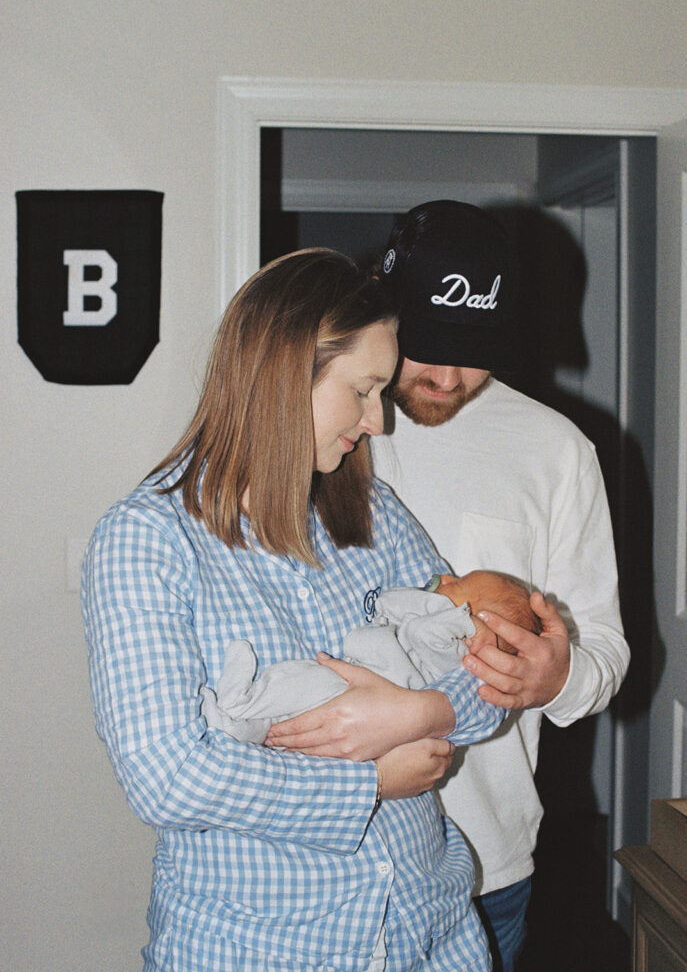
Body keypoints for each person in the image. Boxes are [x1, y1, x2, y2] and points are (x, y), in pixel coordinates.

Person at [82, 247, 514, 972]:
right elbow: (167, 776)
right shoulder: (148, 540)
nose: (378, 421)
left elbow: (483, 666)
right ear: (285, 374)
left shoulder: (373, 511)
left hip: (432, 937)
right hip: (258, 951)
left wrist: (421, 713)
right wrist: (369, 782)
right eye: (363, 390)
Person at [371, 201, 631, 972]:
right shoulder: (316, 424)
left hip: (485, 860)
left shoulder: (555, 450)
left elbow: (605, 648)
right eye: (427, 346)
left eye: (473, 351)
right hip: (321, 848)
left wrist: (559, 677)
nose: (447, 377)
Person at [202, 569, 542, 744]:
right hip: (357, 684)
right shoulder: (447, 640)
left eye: (460, 583)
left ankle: (237, 707)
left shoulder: (454, 650)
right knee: (293, 696)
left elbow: (419, 632)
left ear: (479, 623)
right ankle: (245, 726)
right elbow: (391, 604)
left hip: (354, 691)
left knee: (296, 684)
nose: (447, 576)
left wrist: (462, 621)